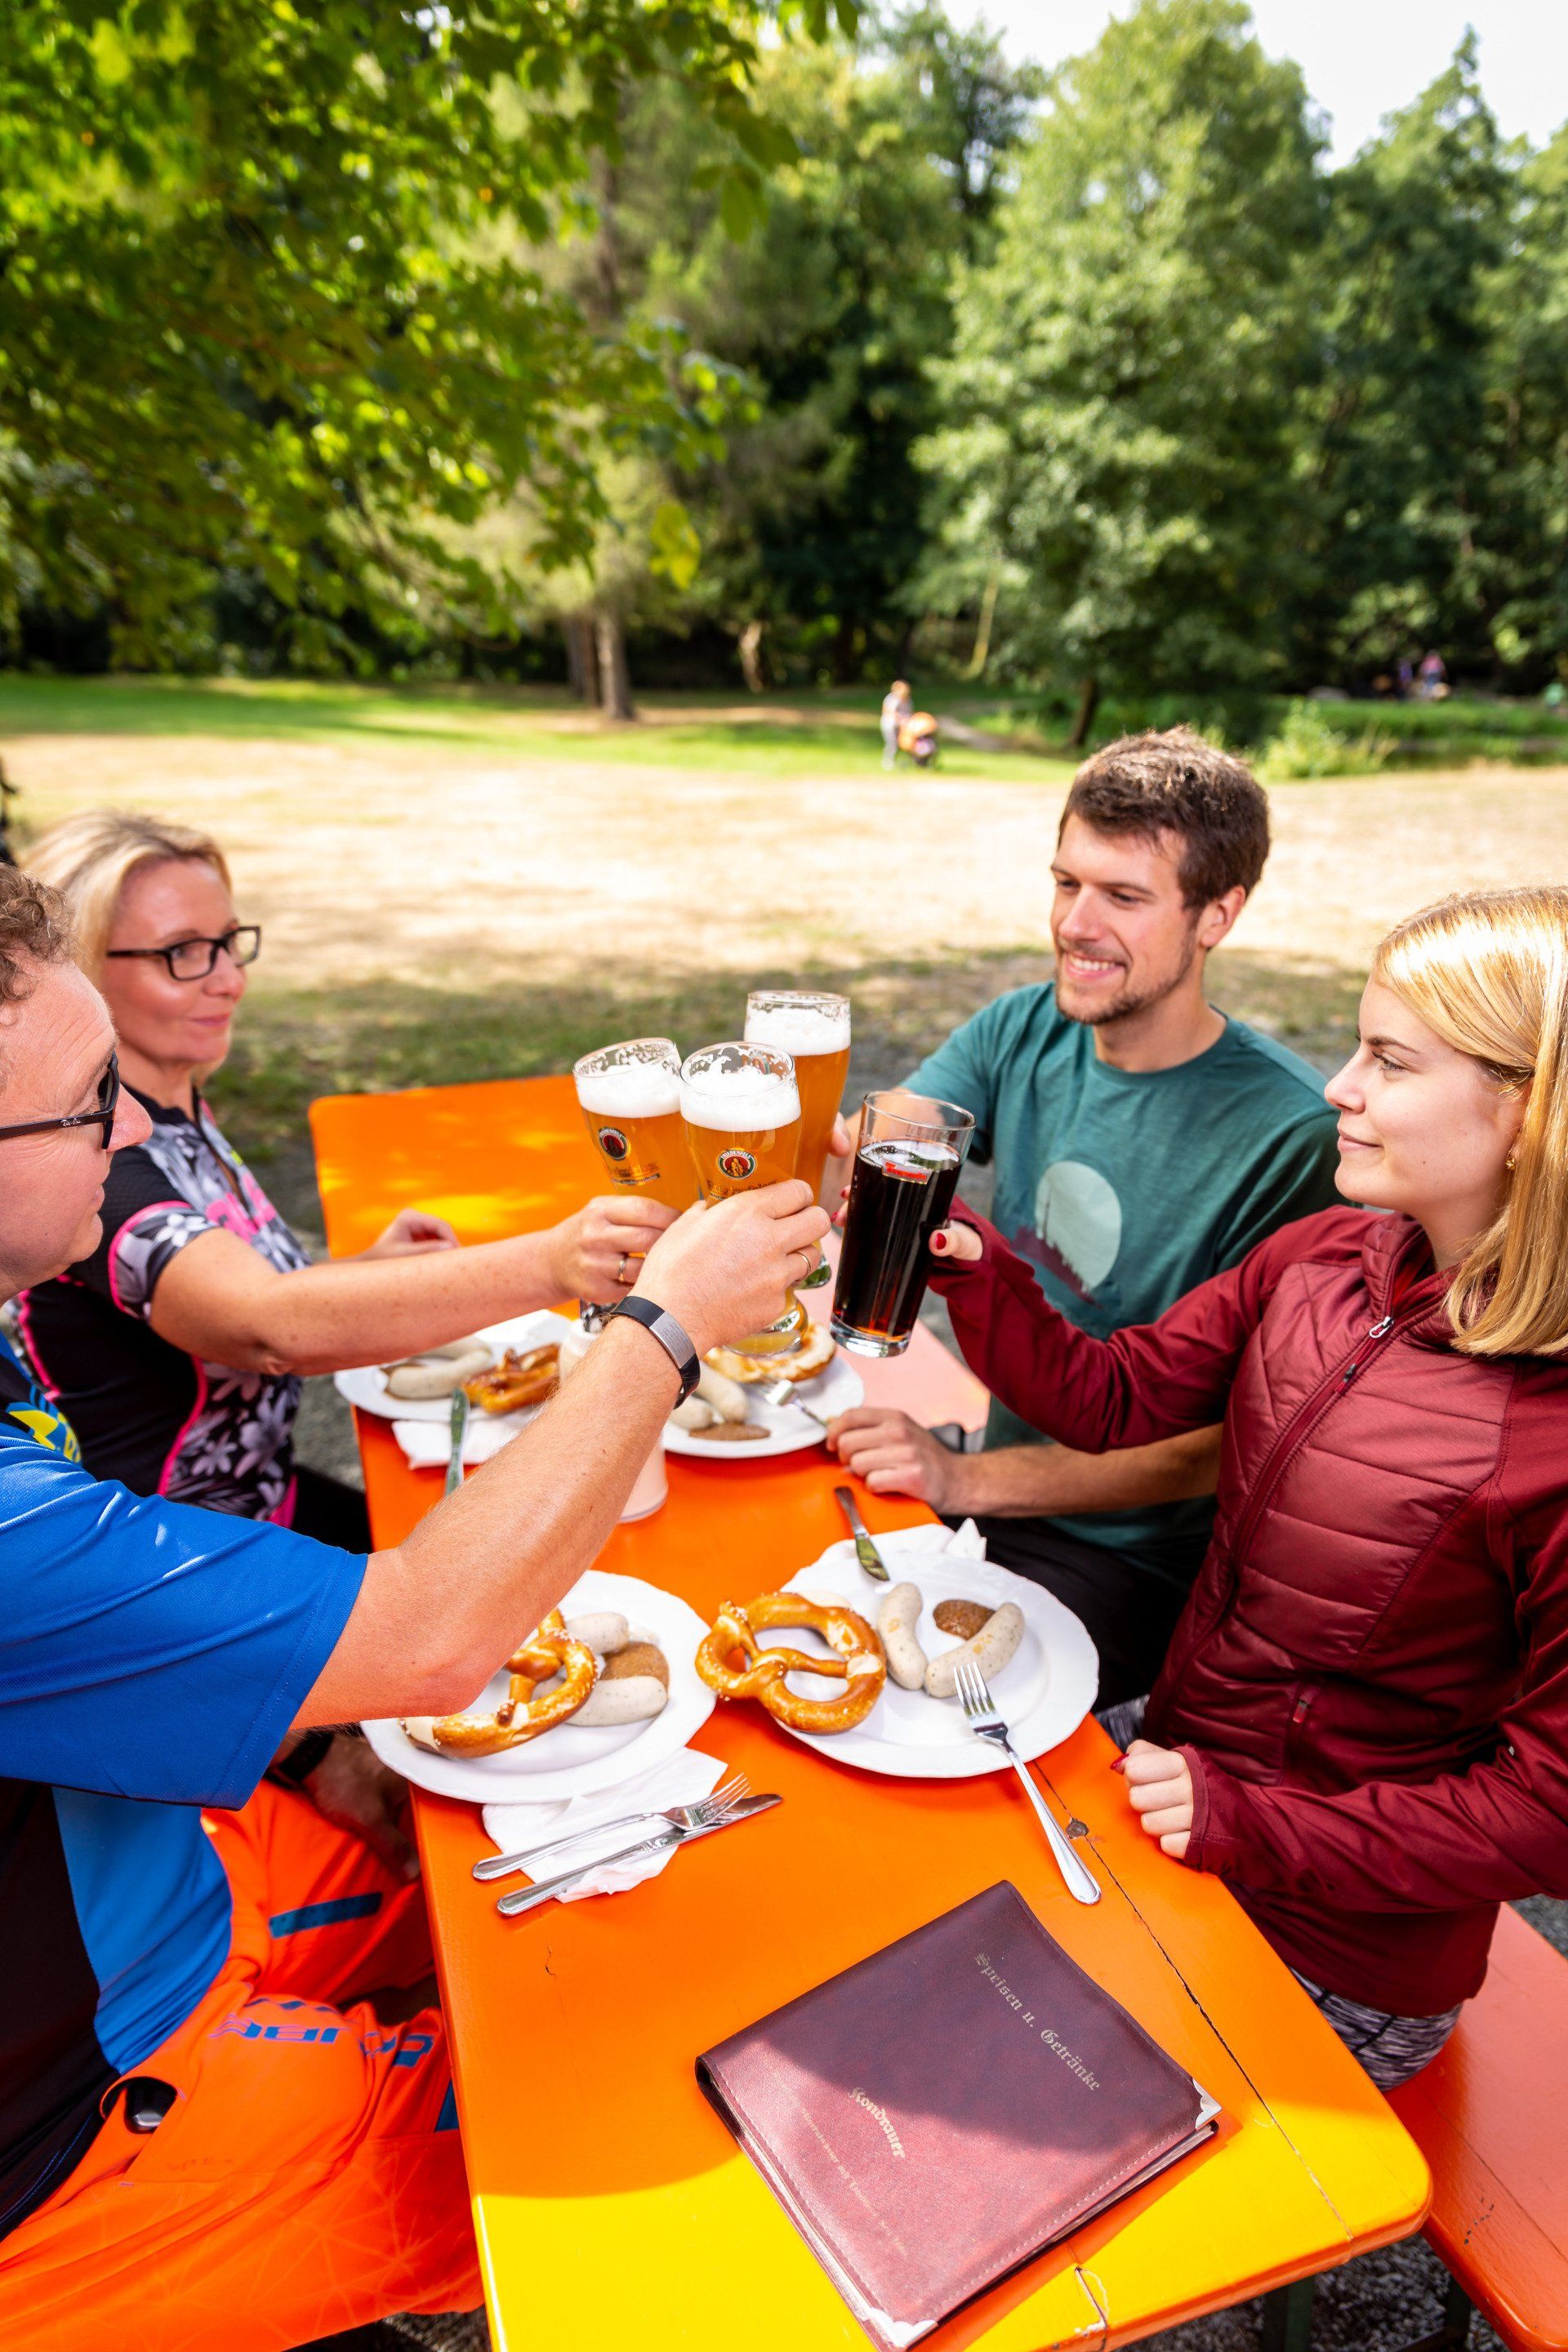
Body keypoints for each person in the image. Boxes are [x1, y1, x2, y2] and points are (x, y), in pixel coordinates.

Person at [0, 866, 828, 2346]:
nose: (133, 1137)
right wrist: (667, 1327)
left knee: (476, 1895)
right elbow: (432, 1644)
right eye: (88, 1109)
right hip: (73, 2124)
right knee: (649, 2113)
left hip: (140, 1883)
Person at [921, 884, 1568, 2087]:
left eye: (1389, 1060)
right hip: (1184, 1777)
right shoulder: (1328, 1255)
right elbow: (1113, 1397)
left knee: (983, 2075)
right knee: (891, 1869)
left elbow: (1551, 1809)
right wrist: (978, 1267)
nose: (1341, 1088)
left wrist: (1253, 1824)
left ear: (1530, 1114)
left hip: (1333, 1946)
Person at [828, 729, 1340, 1703]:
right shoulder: (1023, 1025)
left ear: (1217, 916)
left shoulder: (1294, 1136)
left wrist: (968, 1482)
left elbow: (1226, 1448)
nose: (1075, 923)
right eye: (1066, 883)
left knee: (912, 1711)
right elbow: (879, 1137)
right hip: (991, 1482)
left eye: (1125, 897)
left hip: (1131, 1558)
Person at [20, 811, 677, 1544]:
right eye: (182, 954)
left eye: (230, 944)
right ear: (77, 969)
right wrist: (558, 1262)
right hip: (172, 1553)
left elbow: (228, 1278)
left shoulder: (172, 1096)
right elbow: (262, 1325)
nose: (231, 980)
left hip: (262, 1504)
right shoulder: (97, 1156)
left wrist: (363, 1273)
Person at [880, 679, 913, 769]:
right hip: (890, 725)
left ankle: (904, 762)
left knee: (903, 744)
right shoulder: (891, 699)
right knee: (892, 743)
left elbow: (909, 712)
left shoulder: (907, 700)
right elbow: (889, 712)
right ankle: (888, 762)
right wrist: (900, 718)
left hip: (903, 726)